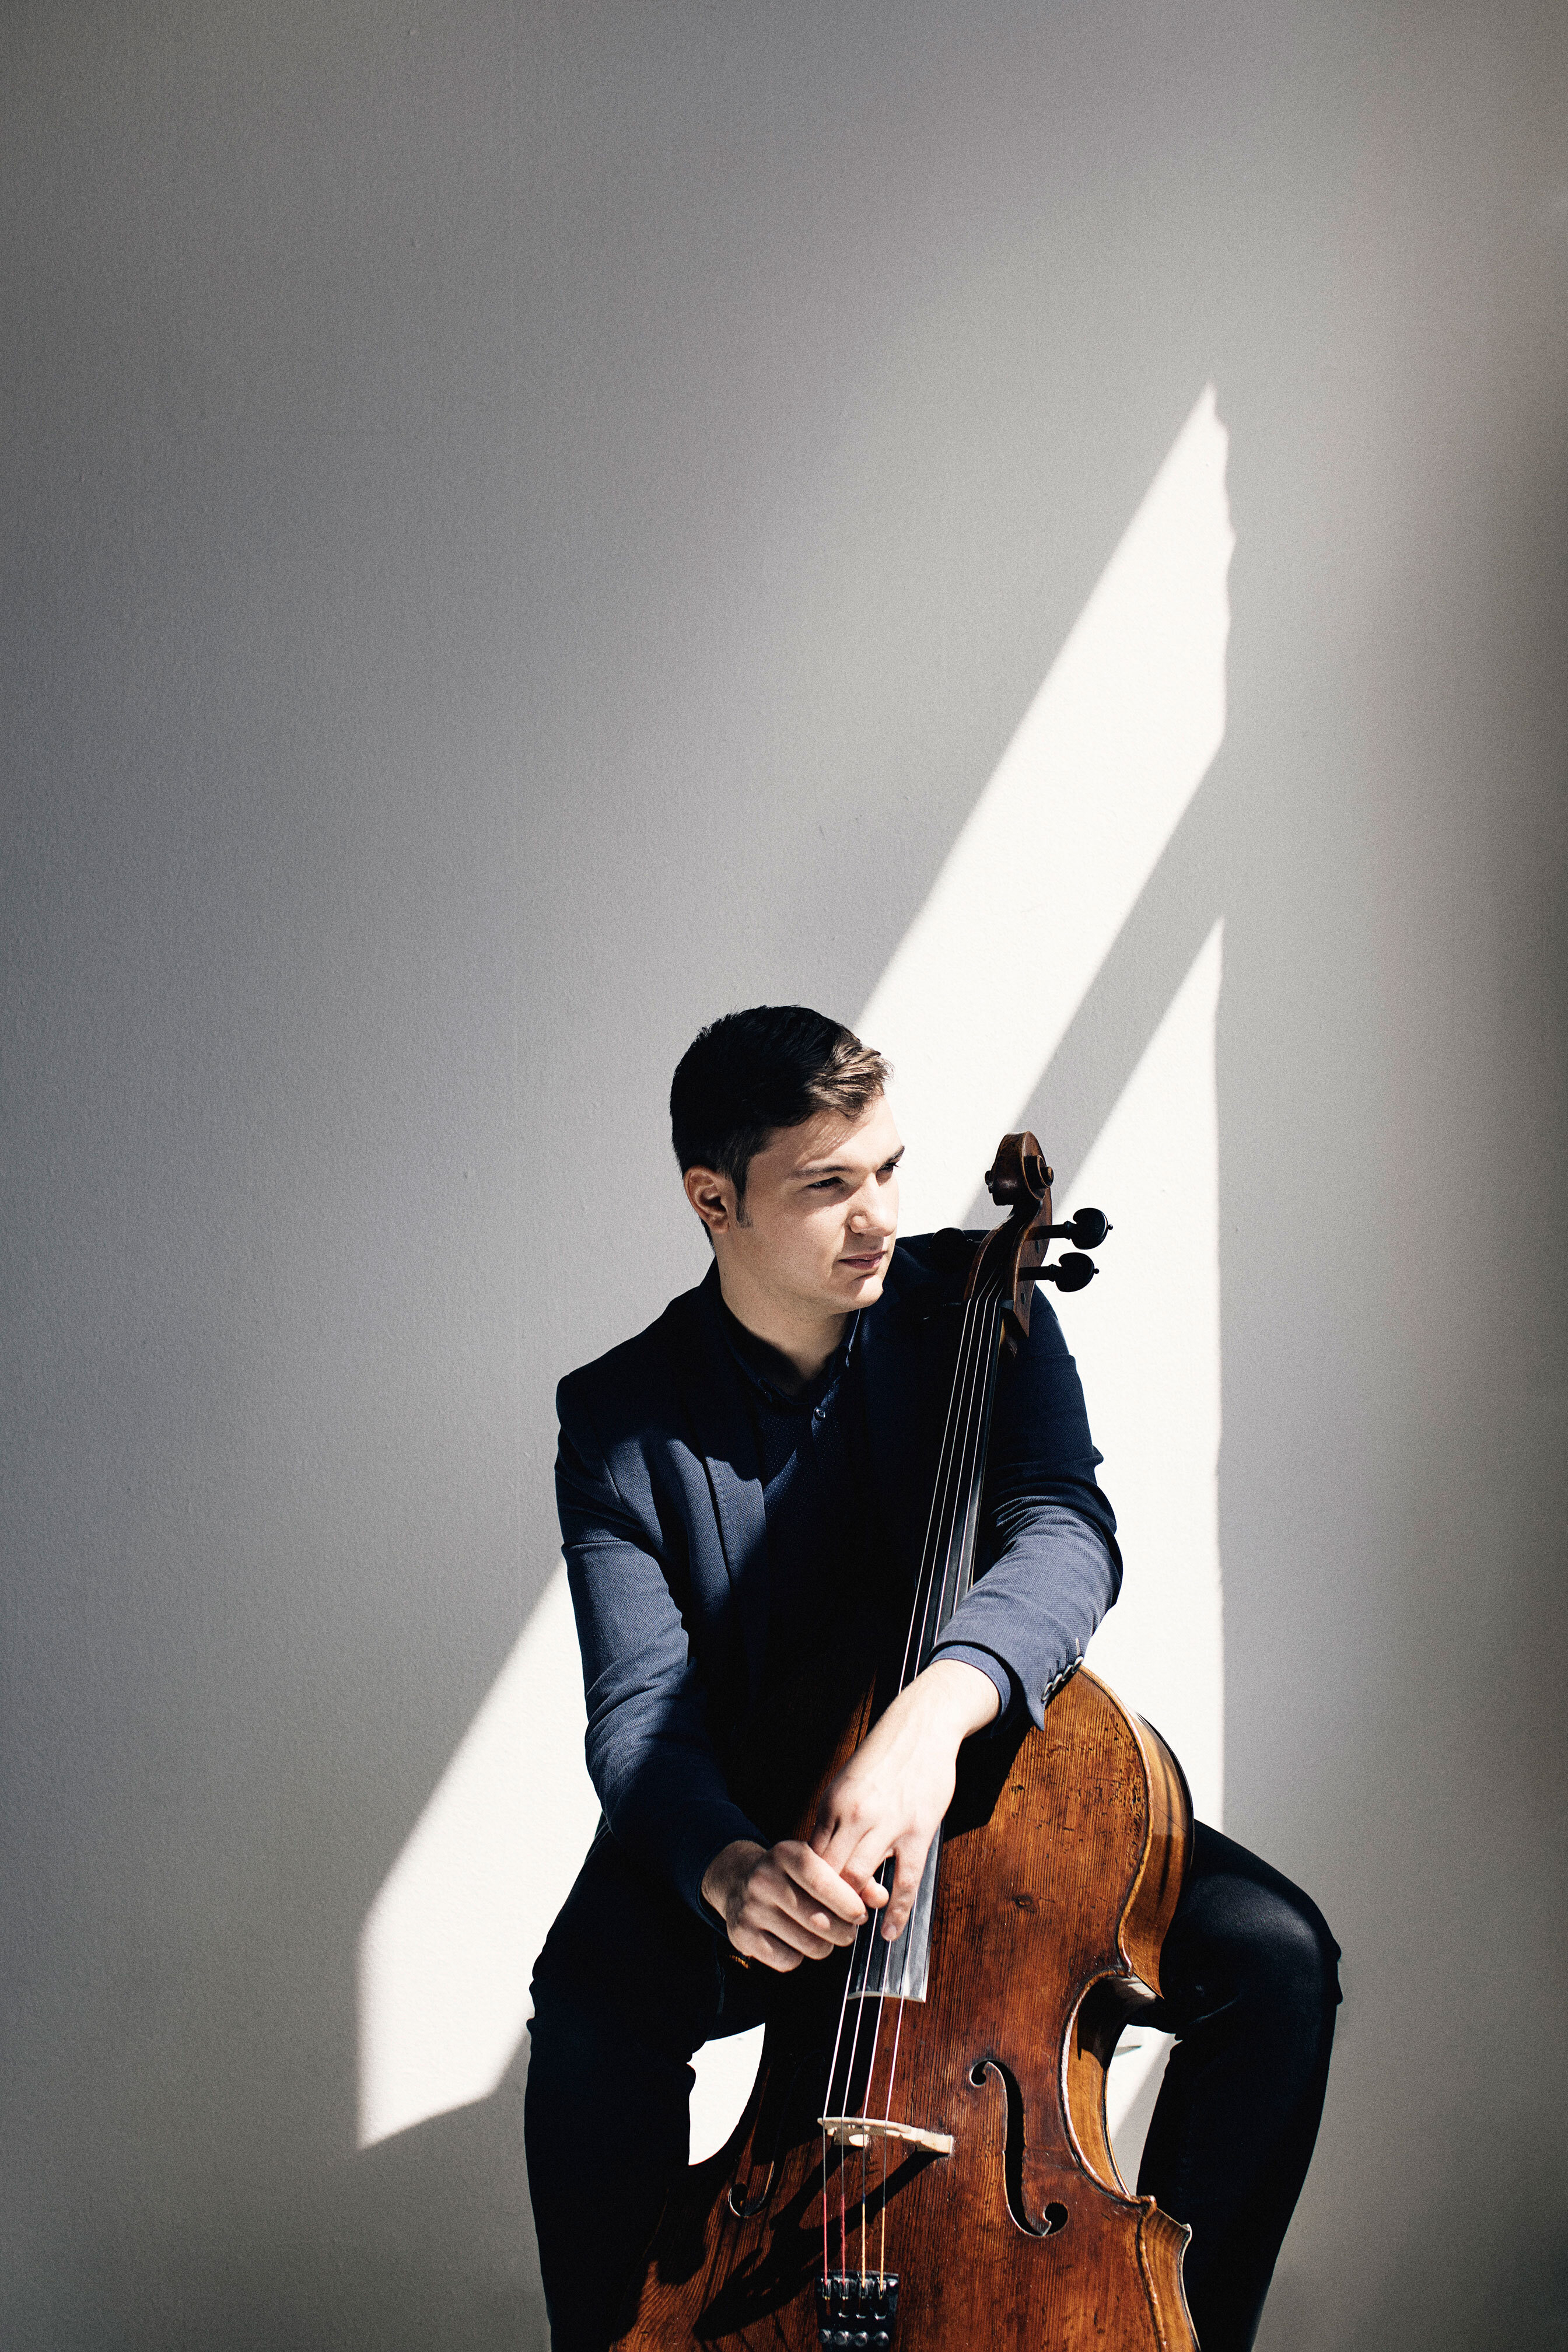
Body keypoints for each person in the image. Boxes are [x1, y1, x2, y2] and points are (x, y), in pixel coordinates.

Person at [526, 1005, 1339, 2352]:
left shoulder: (982, 1303)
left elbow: (1065, 1527)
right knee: (595, 1998)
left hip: (979, 1792)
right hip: (767, 1833)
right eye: (828, 1186)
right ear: (712, 1200)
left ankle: (1161, 2330)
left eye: (890, 1169)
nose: (879, 1218)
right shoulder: (619, 1417)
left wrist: (937, 1712)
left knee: (1277, 1962)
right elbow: (637, 1709)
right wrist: (726, 1867)